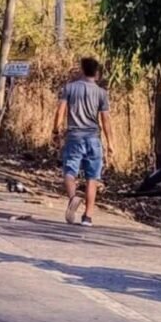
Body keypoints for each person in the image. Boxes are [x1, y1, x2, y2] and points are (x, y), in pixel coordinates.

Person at [51, 57, 114, 227]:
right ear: (97, 72)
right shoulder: (101, 93)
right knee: (92, 177)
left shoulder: (70, 88)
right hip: (93, 138)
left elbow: (60, 111)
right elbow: (105, 120)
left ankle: (73, 198)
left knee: (69, 171)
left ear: (82, 69)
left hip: (74, 136)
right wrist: (110, 143)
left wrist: (55, 131)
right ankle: (87, 217)